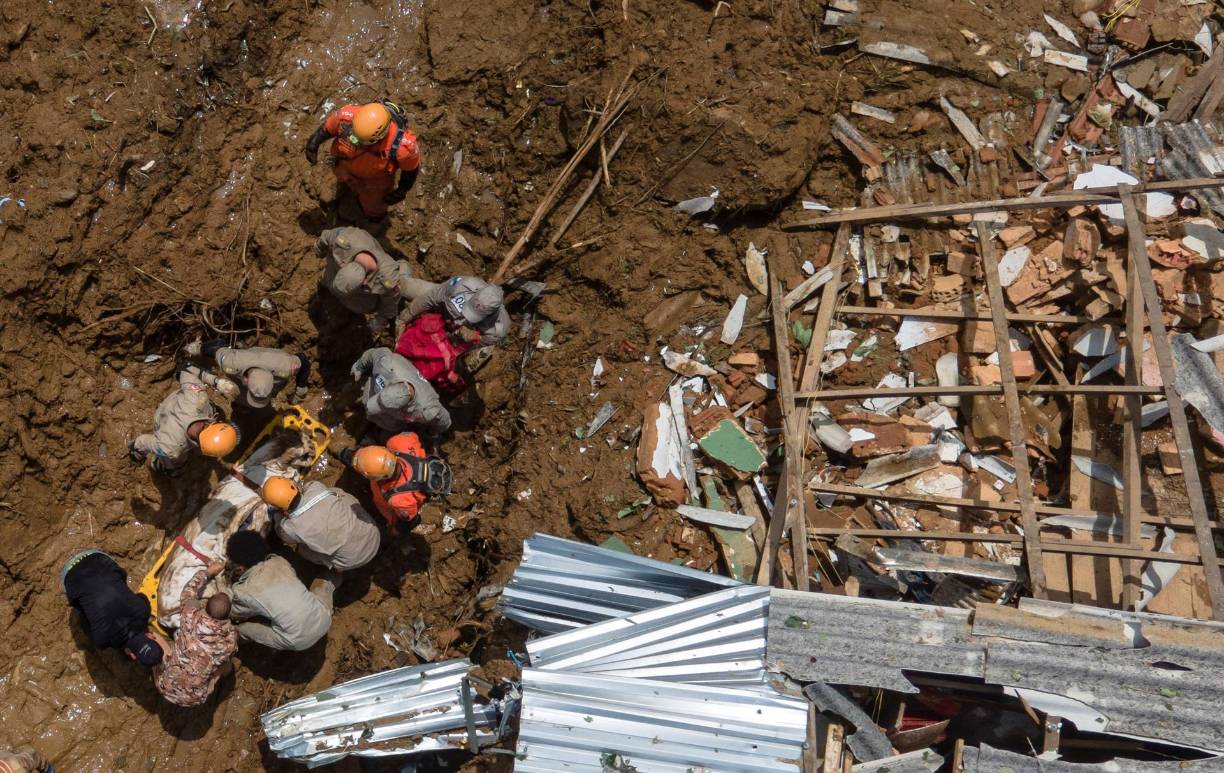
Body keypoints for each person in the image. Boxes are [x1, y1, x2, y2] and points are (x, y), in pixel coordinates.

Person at [304, 100, 420, 219]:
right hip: (343, 161)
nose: (356, 142)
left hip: (376, 179)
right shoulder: (346, 116)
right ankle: (348, 186)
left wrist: (402, 190)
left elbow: (410, 171)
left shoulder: (404, 147)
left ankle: (374, 218)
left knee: (374, 206)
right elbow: (327, 129)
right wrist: (313, 143)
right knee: (343, 177)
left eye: (362, 141)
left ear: (380, 136)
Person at [226, 531, 333, 651]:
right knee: (326, 581)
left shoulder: (244, 591)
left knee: (242, 629)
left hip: (299, 640)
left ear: (240, 568)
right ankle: (342, 573)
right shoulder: (278, 561)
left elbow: (234, 613)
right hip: (324, 618)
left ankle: (231, 647)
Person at [153, 560, 238, 707]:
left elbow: (189, 591)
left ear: (205, 605)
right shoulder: (229, 642)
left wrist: (208, 572)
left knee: (158, 639)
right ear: (228, 615)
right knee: (225, 665)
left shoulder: (190, 614)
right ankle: (221, 679)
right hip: (195, 700)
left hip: (164, 687)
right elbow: (232, 646)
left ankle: (160, 671)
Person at [62, 549, 165, 667]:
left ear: (150, 636)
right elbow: (83, 622)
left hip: (95, 556)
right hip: (68, 574)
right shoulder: (102, 641)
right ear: (132, 655)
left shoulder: (143, 610)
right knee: (82, 608)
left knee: (121, 581)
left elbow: (141, 596)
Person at [129, 367, 239, 475]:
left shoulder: (197, 398)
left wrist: (216, 381)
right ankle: (159, 463)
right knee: (175, 469)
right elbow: (144, 442)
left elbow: (187, 370)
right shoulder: (170, 446)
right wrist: (137, 454)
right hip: (163, 421)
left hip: (176, 403)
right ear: (201, 448)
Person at [260, 477, 380, 571]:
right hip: (373, 534)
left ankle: (337, 569)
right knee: (336, 492)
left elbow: (283, 535)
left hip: (354, 560)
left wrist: (277, 515)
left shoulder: (289, 528)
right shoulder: (316, 487)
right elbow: (305, 487)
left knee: (303, 550)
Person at [346, 434, 452, 533]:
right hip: (419, 466)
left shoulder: (399, 501)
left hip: (403, 498)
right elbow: (413, 435)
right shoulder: (400, 442)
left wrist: (403, 526)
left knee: (396, 528)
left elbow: (408, 521)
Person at [316, 226, 414, 333]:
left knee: (361, 305)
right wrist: (319, 248)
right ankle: (326, 281)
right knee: (328, 276)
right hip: (336, 271)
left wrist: (382, 318)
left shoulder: (387, 277)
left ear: (364, 282)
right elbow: (328, 236)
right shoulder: (346, 240)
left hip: (366, 291)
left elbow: (391, 299)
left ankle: (402, 264)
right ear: (345, 264)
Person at [350, 347, 451, 437]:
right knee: (367, 404)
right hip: (379, 389)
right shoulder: (386, 364)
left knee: (393, 425)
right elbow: (374, 353)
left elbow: (444, 421)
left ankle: (396, 428)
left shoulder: (427, 409)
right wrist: (359, 366)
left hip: (399, 418)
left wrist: (432, 432)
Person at [186, 340, 311, 409]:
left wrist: (301, 389)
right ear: (245, 380)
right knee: (239, 395)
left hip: (274, 358)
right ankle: (243, 405)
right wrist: (198, 349)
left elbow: (303, 360)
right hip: (247, 357)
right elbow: (217, 347)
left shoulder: (286, 367)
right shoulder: (230, 363)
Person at [399, 275, 510, 348]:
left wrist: (472, 339)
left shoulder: (497, 330)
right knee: (402, 286)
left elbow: (472, 347)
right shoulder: (463, 286)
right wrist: (403, 319)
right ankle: (402, 267)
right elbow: (430, 297)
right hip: (442, 303)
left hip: (456, 336)